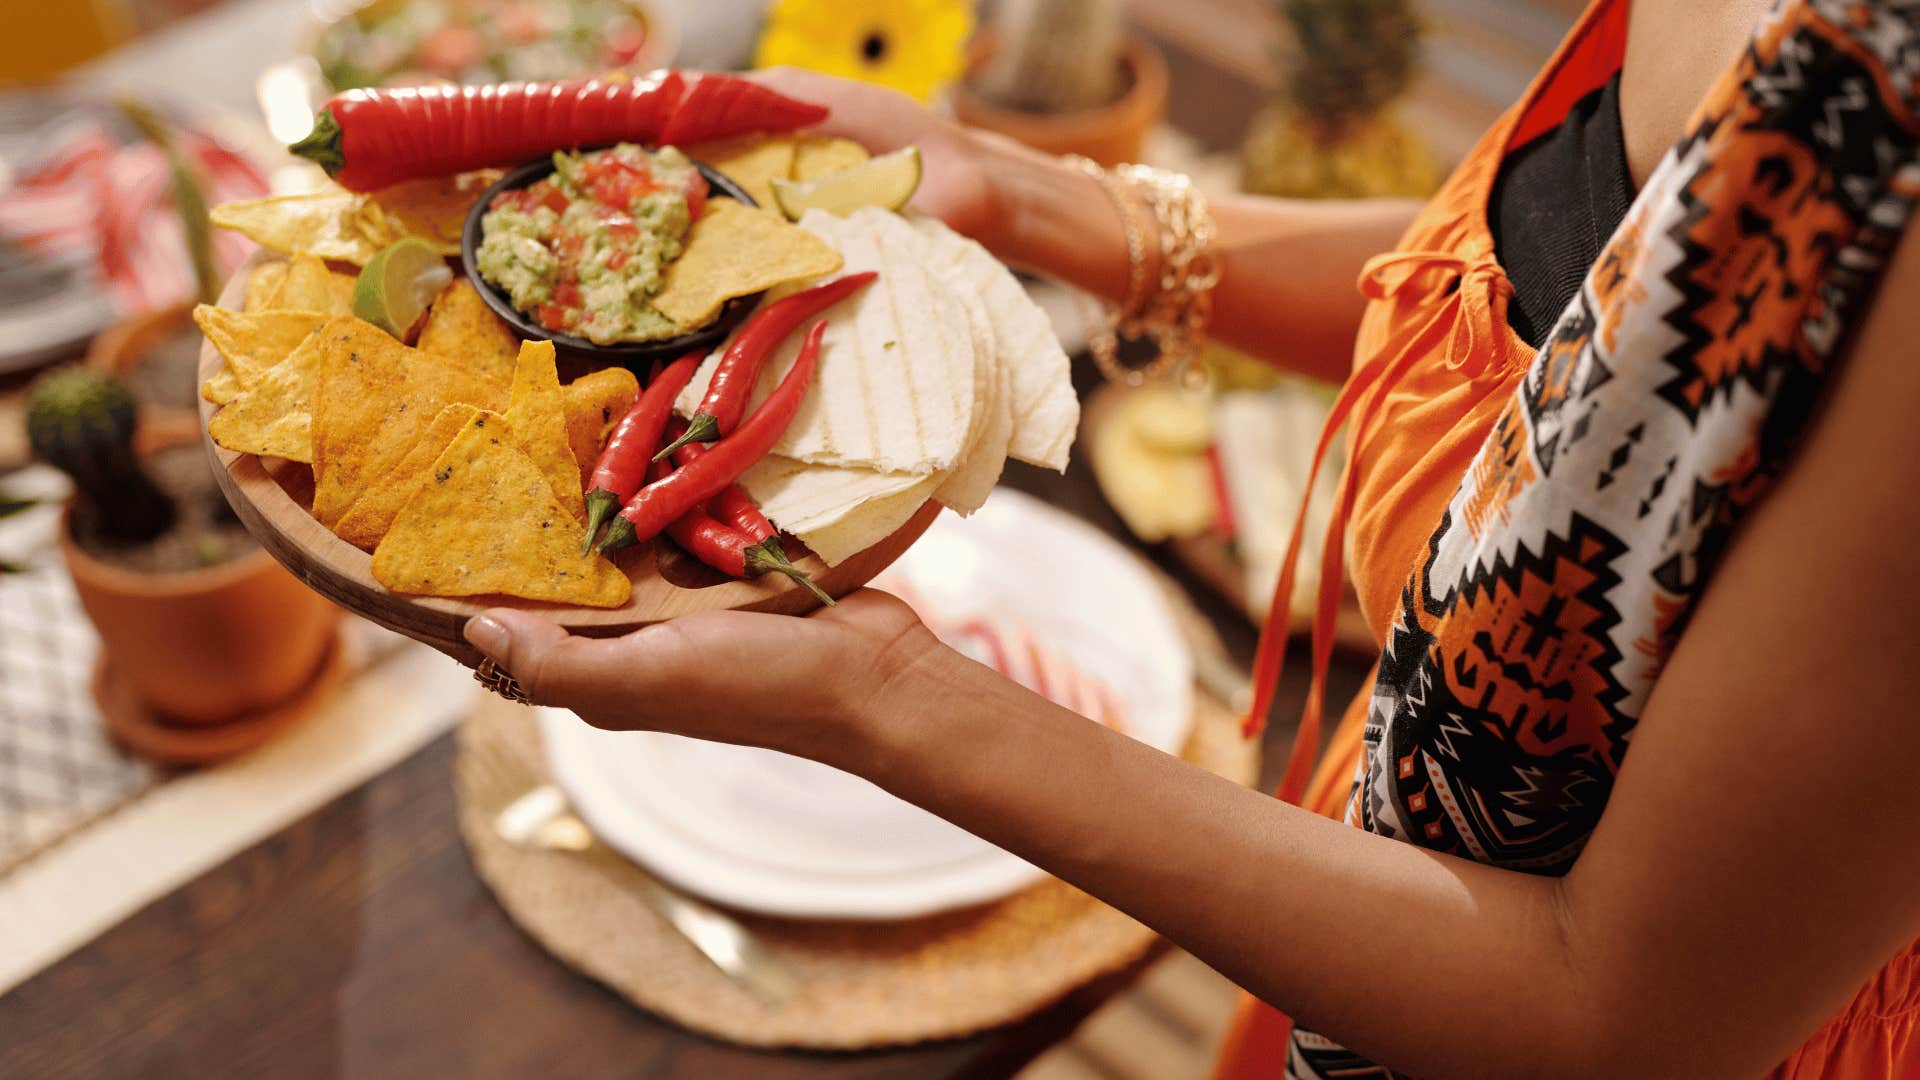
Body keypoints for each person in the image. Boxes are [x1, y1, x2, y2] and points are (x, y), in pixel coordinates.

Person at [460, 0, 1920, 1074]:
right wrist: (1039, 196)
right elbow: (1582, 303)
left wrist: (886, 698)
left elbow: (1614, 1016)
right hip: (1393, 898)